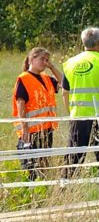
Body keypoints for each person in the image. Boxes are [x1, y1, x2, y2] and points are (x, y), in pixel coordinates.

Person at [61, 27, 99, 198]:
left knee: (73, 156)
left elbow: (64, 93)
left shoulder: (70, 63)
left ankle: (64, 192)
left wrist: (71, 113)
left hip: (78, 117)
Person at [12, 47, 62, 180]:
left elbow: (64, 83)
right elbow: (20, 103)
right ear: (31, 59)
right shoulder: (24, 78)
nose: (45, 62)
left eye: (47, 60)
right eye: (42, 59)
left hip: (47, 129)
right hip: (31, 131)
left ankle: (43, 193)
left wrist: (51, 66)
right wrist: (25, 128)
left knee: (44, 167)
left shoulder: (47, 78)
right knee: (31, 168)